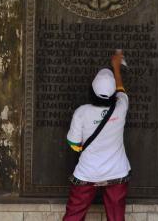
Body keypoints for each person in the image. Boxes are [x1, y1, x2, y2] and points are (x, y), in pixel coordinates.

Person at [63, 51, 131, 221]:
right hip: (117, 173)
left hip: (87, 173)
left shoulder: (82, 112)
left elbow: (73, 143)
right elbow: (121, 90)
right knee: (116, 217)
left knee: (73, 215)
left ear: (91, 91)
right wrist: (116, 67)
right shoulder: (121, 107)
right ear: (113, 93)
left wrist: (83, 148)